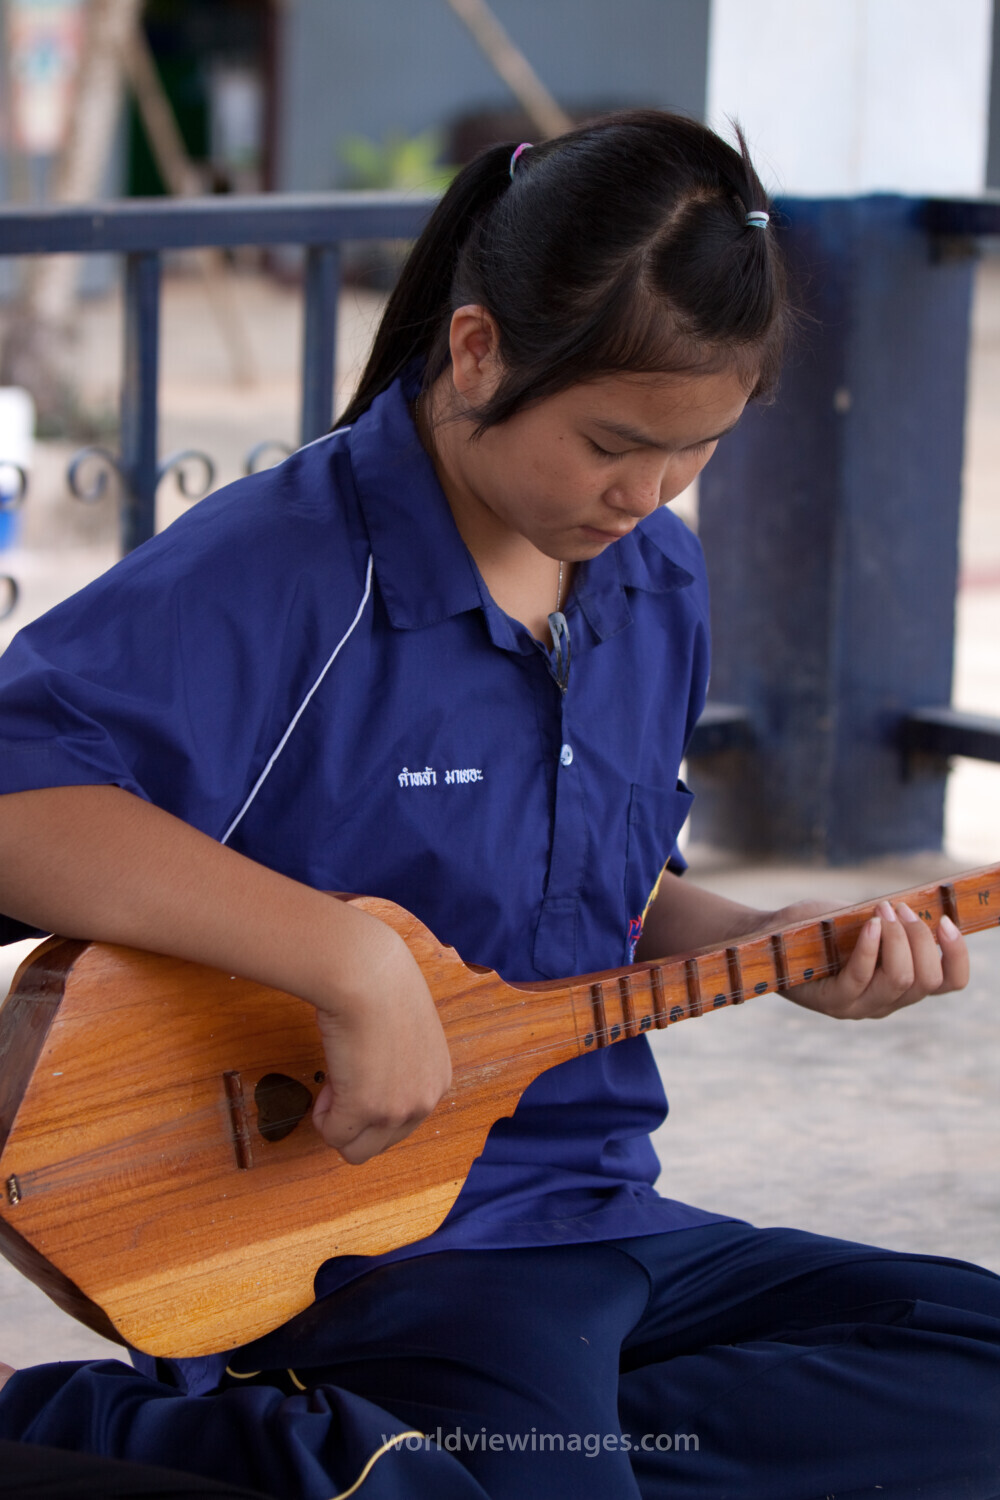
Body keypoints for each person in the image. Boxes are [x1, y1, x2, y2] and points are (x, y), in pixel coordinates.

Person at [0, 111, 997, 1500]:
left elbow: (598, 889)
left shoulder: (656, 585)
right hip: (366, 1237)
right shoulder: (288, 569)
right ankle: (126, 1432)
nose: (645, 494)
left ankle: (453, 1463)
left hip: (595, 1209)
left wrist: (765, 942)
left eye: (694, 452)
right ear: (476, 351)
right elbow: (19, 795)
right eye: (611, 443)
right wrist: (346, 961)